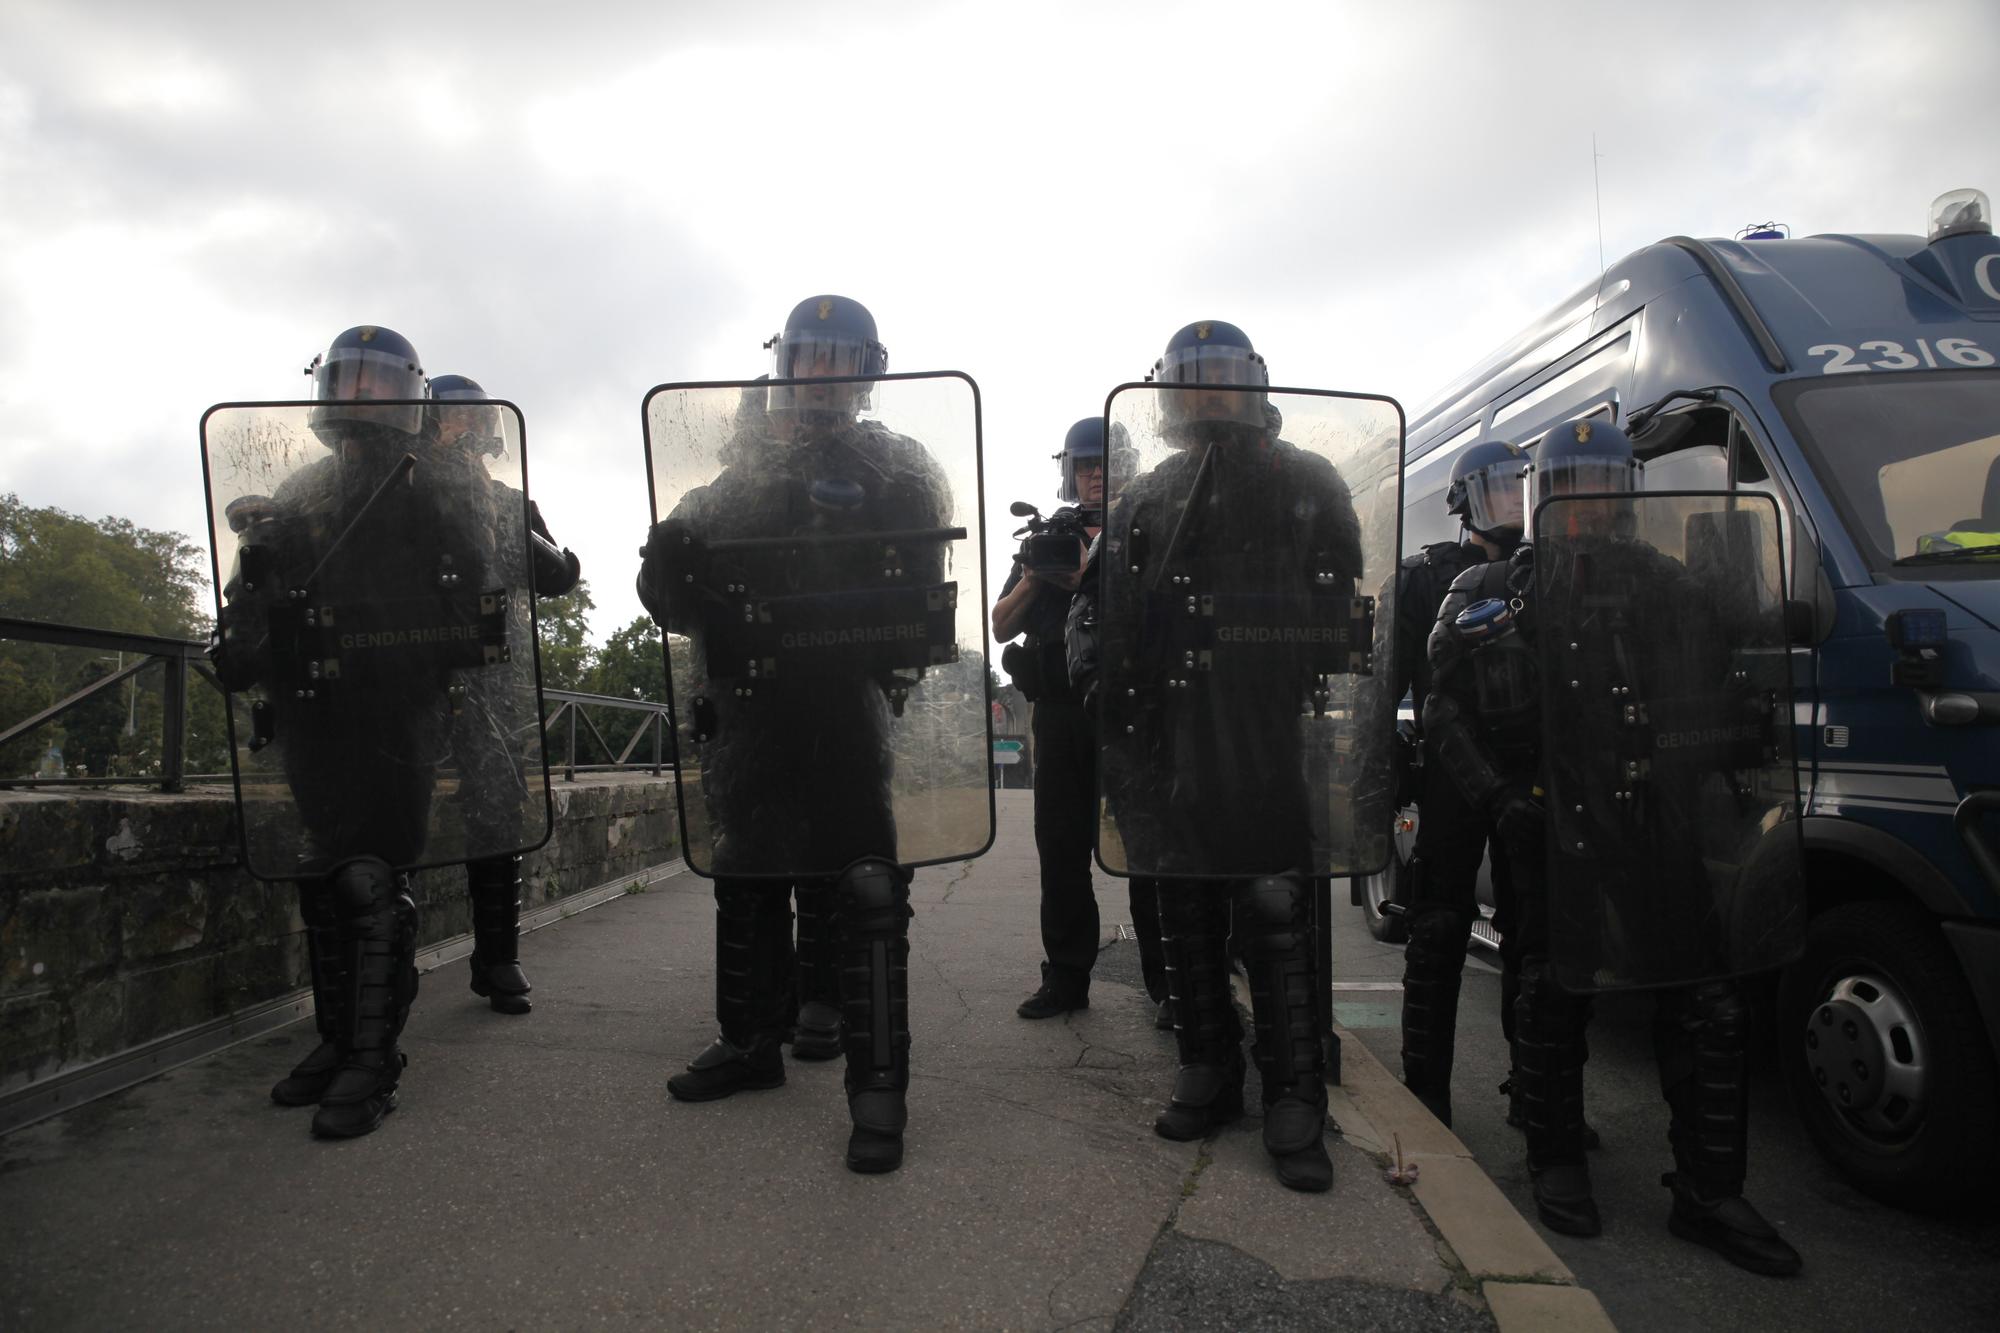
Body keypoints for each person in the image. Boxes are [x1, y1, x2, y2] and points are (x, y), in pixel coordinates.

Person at [1423, 417, 1801, 1274]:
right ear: (1549, 493)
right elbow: (1443, 708)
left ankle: (1710, 1190)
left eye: (1608, 480)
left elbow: (1722, 685)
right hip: (1556, 816)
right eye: (1577, 482)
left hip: (1656, 817)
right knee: (1556, 991)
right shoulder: (1497, 585)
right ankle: (1555, 1158)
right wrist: (1497, 797)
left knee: (1706, 1000)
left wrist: (1737, 758)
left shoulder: (1671, 585)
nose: (1595, 500)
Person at [639, 295, 957, 1172]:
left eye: (836, 359)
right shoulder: (726, 487)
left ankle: (878, 1084)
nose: (819, 375)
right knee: (744, 877)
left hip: (845, 710)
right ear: (783, 368)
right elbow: (675, 607)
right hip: (747, 713)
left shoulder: (897, 466)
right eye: (806, 359)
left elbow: (924, 591)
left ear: (865, 372)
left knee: (862, 889)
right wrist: (662, 566)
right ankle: (750, 1043)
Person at [209, 325, 540, 1138]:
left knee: (370, 876)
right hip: (314, 711)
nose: (357, 398)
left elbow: (480, 609)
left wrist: (409, 640)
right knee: (322, 878)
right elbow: (254, 602)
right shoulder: (301, 493)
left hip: (399, 708)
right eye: (346, 381)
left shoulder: (436, 490)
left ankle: (373, 1056)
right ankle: (334, 1040)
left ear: (406, 397)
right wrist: (241, 628)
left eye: (373, 383)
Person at [1070, 320, 1367, 1192]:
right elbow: (1092, 612)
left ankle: (1294, 1092)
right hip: (1175, 734)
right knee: (1187, 907)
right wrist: (1103, 691)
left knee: (1275, 910)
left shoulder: (1308, 483)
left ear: (1255, 387)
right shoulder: (1148, 498)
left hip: (1271, 732)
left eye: (1221, 379)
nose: (1207, 396)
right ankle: (1206, 1063)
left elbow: (1342, 606)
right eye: (1191, 382)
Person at [993, 417, 1168, 1024]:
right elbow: (1000, 624)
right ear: (1070, 473)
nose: (1095, 475)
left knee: (1148, 847)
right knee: (1060, 847)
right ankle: (1066, 977)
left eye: (1105, 463)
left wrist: (1097, 576)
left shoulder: (1149, 528)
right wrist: (1041, 579)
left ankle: (1169, 982)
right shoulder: (1048, 536)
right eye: (1085, 466)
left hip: (1130, 709)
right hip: (1062, 713)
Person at [428, 374, 582, 1017]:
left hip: (491, 676)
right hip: (412, 666)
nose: (462, 429)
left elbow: (553, 578)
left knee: (497, 804)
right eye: (449, 418)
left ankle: (498, 955)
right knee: (395, 808)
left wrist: (556, 558)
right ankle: (386, 962)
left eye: (472, 420)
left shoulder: (509, 499)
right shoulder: (395, 492)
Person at [1395, 440, 1529, 1126]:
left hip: (1530, 769)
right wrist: (1387, 777)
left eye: (1520, 484)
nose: (1513, 497)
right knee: (1440, 921)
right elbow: (1391, 684)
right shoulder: (1424, 578)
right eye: (1500, 487)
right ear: (1469, 500)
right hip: (1450, 767)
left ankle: (1534, 1088)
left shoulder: (1544, 569)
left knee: (1533, 931)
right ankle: (1426, 1086)